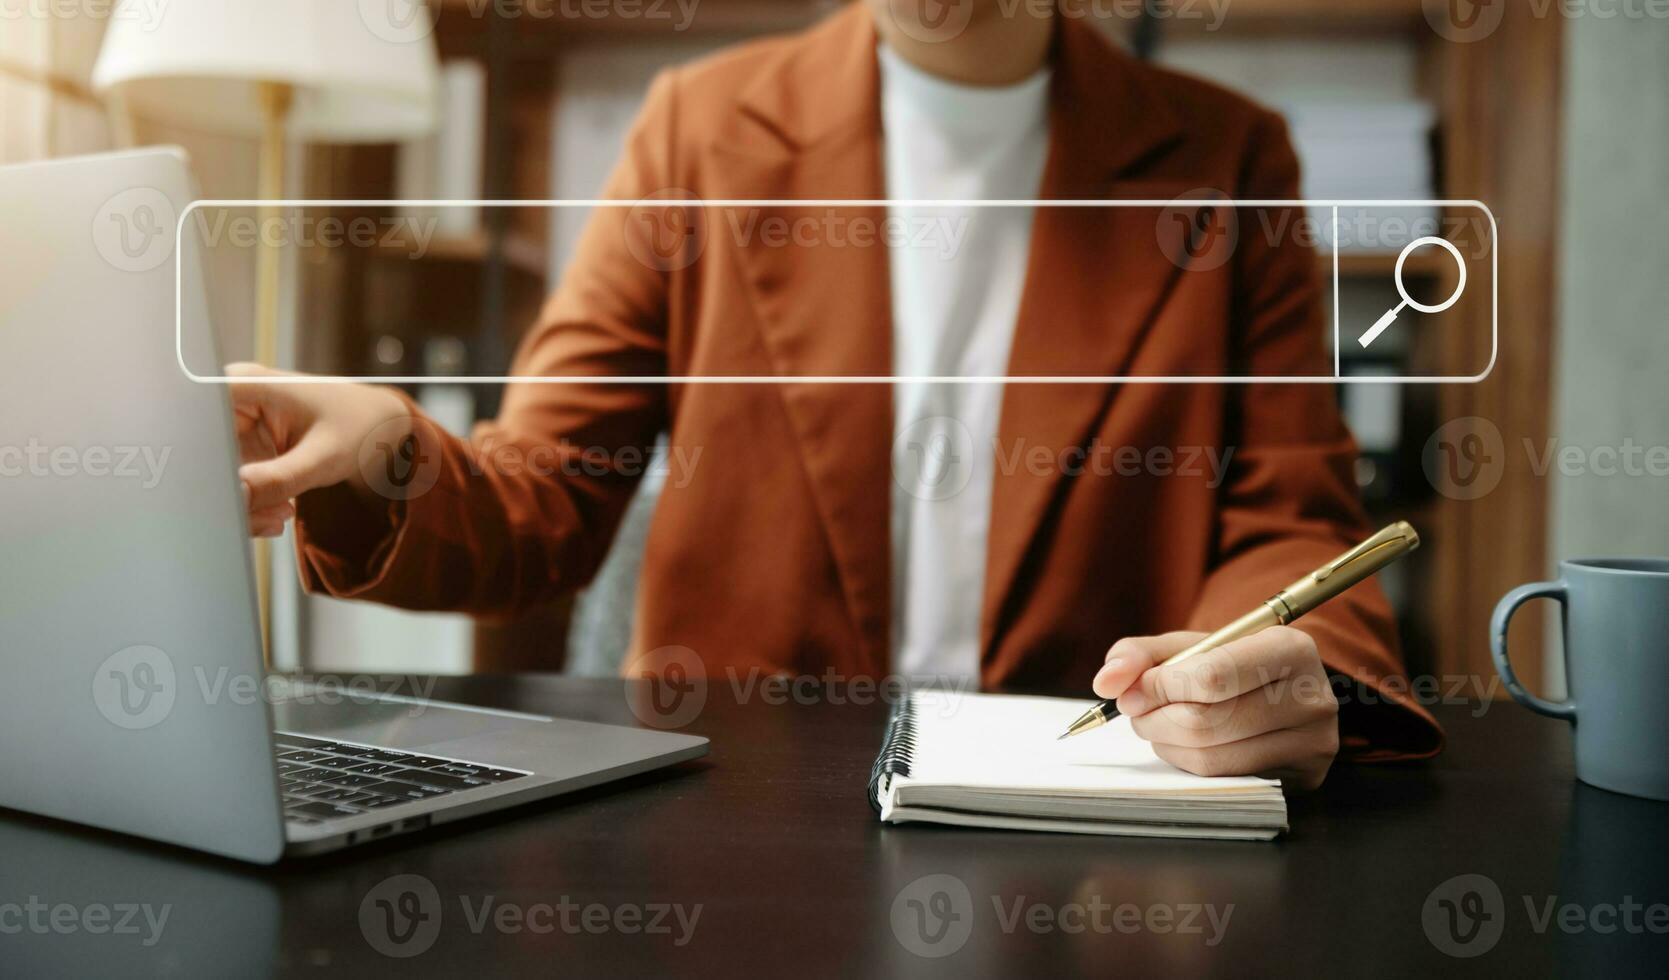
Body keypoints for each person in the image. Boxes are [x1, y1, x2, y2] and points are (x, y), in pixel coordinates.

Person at [230, 1, 1441, 790]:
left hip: (1097, 822)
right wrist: (389, 450)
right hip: (736, 830)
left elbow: (1292, 522)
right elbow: (541, 495)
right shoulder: (697, 132)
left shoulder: (1229, 158)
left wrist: (1286, 664)